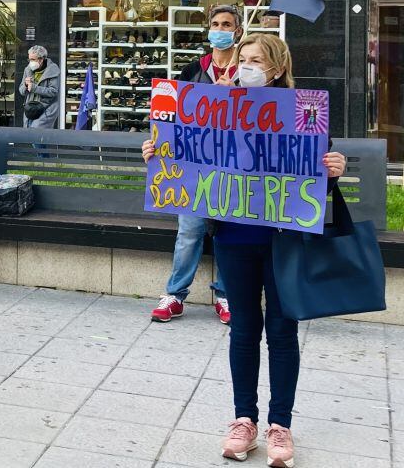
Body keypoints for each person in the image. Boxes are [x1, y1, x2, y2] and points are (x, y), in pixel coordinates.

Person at [142, 33, 345, 468]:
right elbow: (189, 156)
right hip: (234, 238)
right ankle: (243, 419)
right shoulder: (220, 109)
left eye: (254, 60)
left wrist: (333, 170)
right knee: (243, 331)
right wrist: (157, 153)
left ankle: (280, 425)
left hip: (284, 240)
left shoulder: (302, 112)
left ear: (275, 67)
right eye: (242, 59)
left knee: (283, 332)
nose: (245, 66)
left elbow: (314, 171)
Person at [152, 4, 242, 324]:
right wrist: (158, 145)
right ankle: (175, 295)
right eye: (215, 24)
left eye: (227, 24)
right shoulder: (193, 70)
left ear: (238, 31)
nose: (220, 29)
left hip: (234, 168)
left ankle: (227, 295)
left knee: (228, 232)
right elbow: (172, 117)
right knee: (189, 230)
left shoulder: (248, 72)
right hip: (194, 166)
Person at [19, 45, 60, 128]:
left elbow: (53, 91)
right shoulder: (28, 69)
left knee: (38, 134)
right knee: (28, 133)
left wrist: (34, 88)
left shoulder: (53, 70)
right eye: (29, 59)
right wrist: (26, 86)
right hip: (30, 108)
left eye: (33, 59)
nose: (30, 62)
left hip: (46, 108)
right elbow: (21, 90)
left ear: (41, 59)